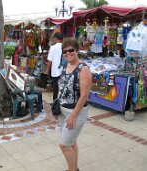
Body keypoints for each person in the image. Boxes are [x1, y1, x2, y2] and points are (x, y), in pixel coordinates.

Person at [57, 37, 92, 171]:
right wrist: (58, 108)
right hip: (63, 110)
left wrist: (73, 116)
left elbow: (84, 95)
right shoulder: (67, 66)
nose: (68, 54)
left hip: (75, 113)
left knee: (64, 145)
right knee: (71, 142)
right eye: (65, 52)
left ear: (77, 50)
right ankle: (75, 168)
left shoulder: (83, 69)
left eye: (71, 50)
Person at [45, 32, 63, 101]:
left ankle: (55, 103)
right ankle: (61, 102)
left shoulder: (53, 47)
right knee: (62, 88)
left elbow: (50, 61)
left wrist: (47, 70)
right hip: (63, 71)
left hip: (55, 71)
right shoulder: (64, 47)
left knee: (55, 88)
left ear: (55, 38)